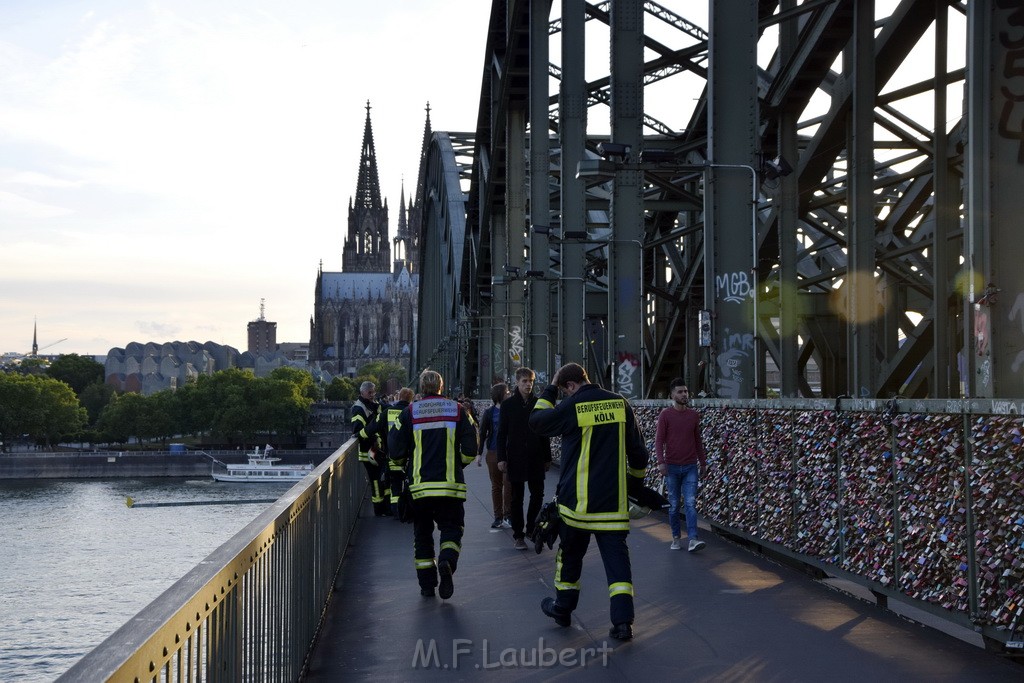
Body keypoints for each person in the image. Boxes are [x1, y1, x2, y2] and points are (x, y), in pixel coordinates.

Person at [529, 362, 648, 641]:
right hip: (612, 505)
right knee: (617, 565)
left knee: (569, 558)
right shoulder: (620, 404)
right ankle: (623, 623)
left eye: (564, 390)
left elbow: (537, 421)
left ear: (570, 386)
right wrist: (636, 485)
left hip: (577, 505)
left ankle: (562, 609)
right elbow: (639, 454)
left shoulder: (573, 406)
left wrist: (549, 388)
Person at [389, 369, 477, 599]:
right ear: (441, 386)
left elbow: (396, 451)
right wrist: (459, 465)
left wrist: (402, 464)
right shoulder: (458, 410)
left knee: (422, 536)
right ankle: (447, 562)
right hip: (450, 487)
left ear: (421, 388)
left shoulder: (409, 412)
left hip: (420, 489)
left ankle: (427, 586)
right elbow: (470, 449)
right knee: (452, 529)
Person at [497, 367, 552, 550]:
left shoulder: (538, 403)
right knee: (516, 497)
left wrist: (547, 457)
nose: (528, 385)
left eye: (531, 381)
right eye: (525, 381)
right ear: (517, 383)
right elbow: (502, 433)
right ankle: (519, 534)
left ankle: (531, 528)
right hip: (516, 456)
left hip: (536, 455)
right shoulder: (508, 405)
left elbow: (544, 432)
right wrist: (501, 458)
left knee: (538, 494)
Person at [655, 378, 708, 552]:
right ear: (672, 395)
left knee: (691, 503)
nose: (684, 394)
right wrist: (661, 463)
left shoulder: (693, 415)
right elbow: (659, 441)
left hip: (690, 465)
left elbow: (697, 440)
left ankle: (693, 539)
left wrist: (703, 462)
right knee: (674, 505)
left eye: (685, 391)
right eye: (680, 391)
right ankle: (676, 538)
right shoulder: (666, 415)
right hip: (672, 467)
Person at [367, 386, 415, 517]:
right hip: (412, 458)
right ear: (411, 399)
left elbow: (372, 427)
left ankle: (396, 511)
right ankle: (410, 509)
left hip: (393, 455)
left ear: (399, 397)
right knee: (411, 483)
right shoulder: (413, 412)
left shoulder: (388, 412)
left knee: (395, 485)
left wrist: (359, 434)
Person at [351, 380, 390, 516]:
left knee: (382, 478)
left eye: (374, 392)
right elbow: (358, 430)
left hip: (376, 450)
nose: (373, 394)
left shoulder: (373, 406)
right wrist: (374, 438)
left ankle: (386, 507)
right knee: (376, 480)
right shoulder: (359, 408)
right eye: (370, 392)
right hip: (369, 451)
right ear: (362, 392)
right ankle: (379, 509)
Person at [477, 382, 512, 529]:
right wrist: (479, 454)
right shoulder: (489, 413)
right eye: (507, 391)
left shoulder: (511, 410)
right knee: (496, 486)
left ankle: (508, 515)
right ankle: (498, 517)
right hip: (493, 452)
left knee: (509, 485)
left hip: (509, 452)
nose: (509, 393)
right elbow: (483, 432)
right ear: (501, 394)